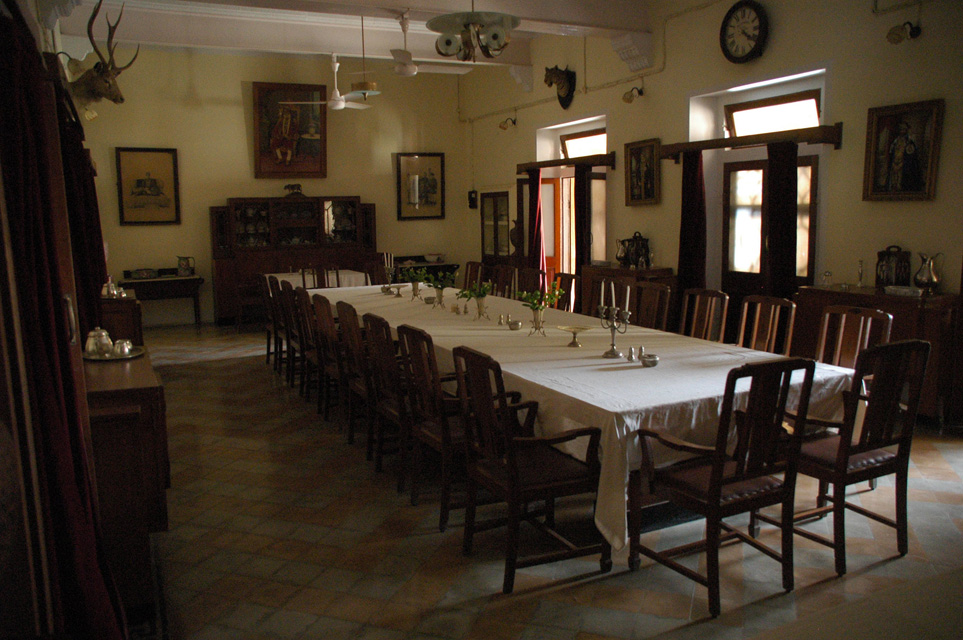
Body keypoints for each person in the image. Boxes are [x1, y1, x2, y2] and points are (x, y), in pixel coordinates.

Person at [887, 120, 922, 192]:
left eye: (903, 129)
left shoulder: (909, 142)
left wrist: (903, 162)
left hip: (903, 164)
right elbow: (892, 152)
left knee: (902, 179)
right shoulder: (895, 141)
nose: (902, 131)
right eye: (900, 129)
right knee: (894, 179)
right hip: (895, 163)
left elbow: (911, 155)